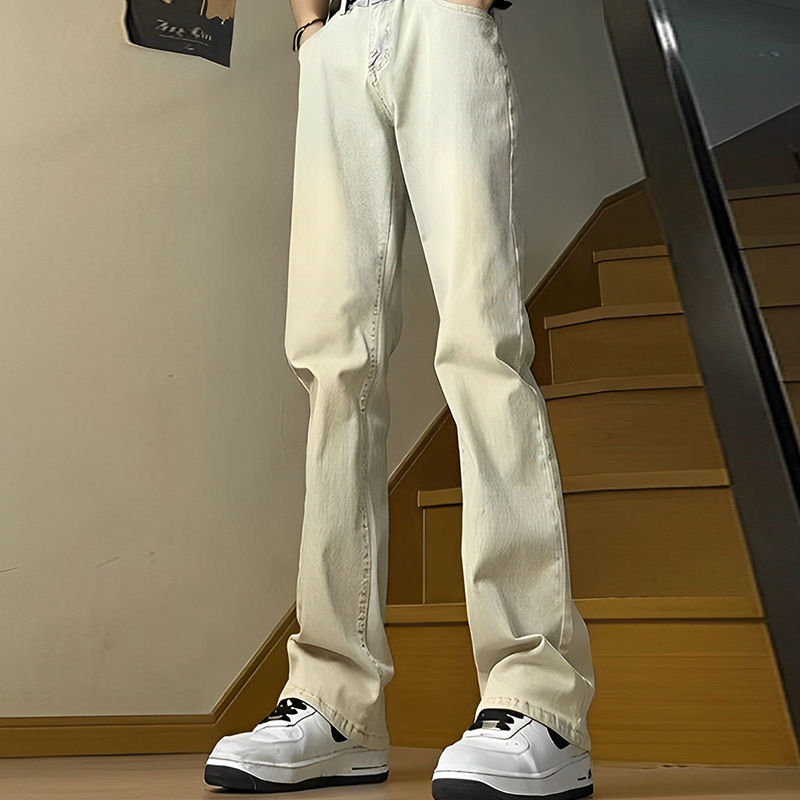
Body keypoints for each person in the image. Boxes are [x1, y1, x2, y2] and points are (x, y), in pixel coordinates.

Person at [204, 0, 596, 797]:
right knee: (333, 367)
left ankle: (538, 700)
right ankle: (334, 704)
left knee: (481, 345)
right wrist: (312, 30)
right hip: (338, 38)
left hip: (439, 19)